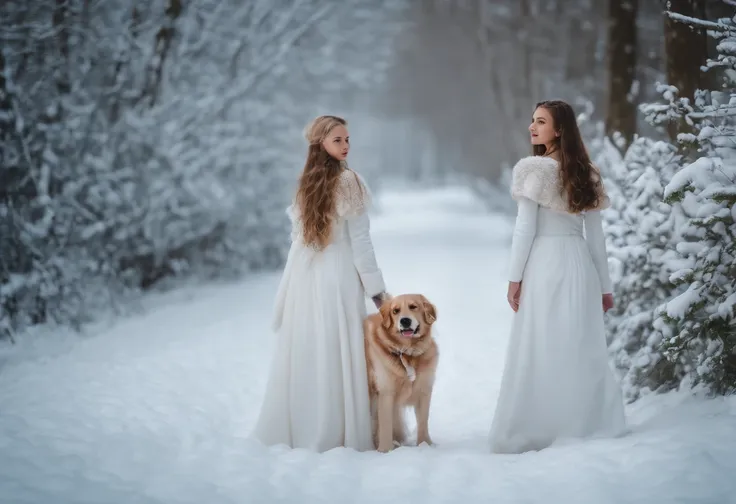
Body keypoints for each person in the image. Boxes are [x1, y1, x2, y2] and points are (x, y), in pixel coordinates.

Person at [489, 100, 627, 454]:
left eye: (541, 122)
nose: (532, 127)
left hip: (546, 263)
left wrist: (514, 278)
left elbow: (524, 229)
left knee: (541, 342)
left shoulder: (533, 169)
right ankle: (584, 422)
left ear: (559, 129)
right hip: (579, 264)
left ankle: (539, 424)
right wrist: (605, 287)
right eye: (532, 120)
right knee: (579, 343)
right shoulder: (587, 171)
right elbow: (596, 238)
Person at [251, 115, 388, 452]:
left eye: (347, 139)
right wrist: (378, 293)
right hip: (333, 275)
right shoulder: (348, 182)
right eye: (338, 140)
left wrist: (286, 291)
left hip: (306, 276)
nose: (345, 146)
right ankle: (336, 430)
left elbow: (301, 243)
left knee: (311, 347)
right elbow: (360, 243)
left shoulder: (308, 183)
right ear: (321, 144)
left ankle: (304, 427)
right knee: (331, 347)